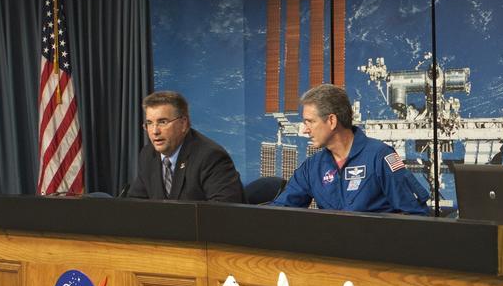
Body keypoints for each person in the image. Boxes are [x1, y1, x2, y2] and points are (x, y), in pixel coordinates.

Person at [272, 83, 428, 214]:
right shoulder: (312, 167)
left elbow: (415, 216)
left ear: (332, 121)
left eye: (310, 122)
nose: (305, 130)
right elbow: (279, 213)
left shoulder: (381, 157)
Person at [126, 90, 244, 202]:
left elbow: (223, 209)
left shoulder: (210, 157)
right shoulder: (148, 155)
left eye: (162, 122)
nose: (154, 131)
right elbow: (135, 202)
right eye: (149, 123)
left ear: (183, 124)